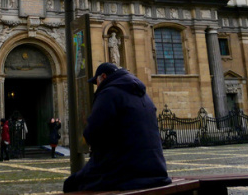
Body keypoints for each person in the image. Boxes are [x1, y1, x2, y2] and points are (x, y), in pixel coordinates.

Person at [63, 63, 170, 193]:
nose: (97, 86)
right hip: (156, 171)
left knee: (70, 185)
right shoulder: (144, 95)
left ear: (103, 76)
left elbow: (93, 132)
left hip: (124, 172)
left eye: (97, 82)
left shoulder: (109, 93)